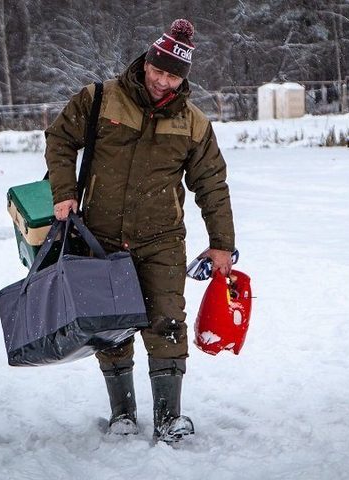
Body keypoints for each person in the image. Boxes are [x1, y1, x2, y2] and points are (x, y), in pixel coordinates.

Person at [44, 19, 235, 443]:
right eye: (157, 70)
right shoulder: (99, 99)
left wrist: (222, 244)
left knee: (167, 323)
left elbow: (212, 184)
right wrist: (64, 191)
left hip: (162, 239)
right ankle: (122, 415)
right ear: (146, 62)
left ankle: (168, 419)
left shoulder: (194, 123)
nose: (162, 81)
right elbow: (59, 139)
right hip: (100, 235)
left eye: (172, 75)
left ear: (183, 77)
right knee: (109, 325)